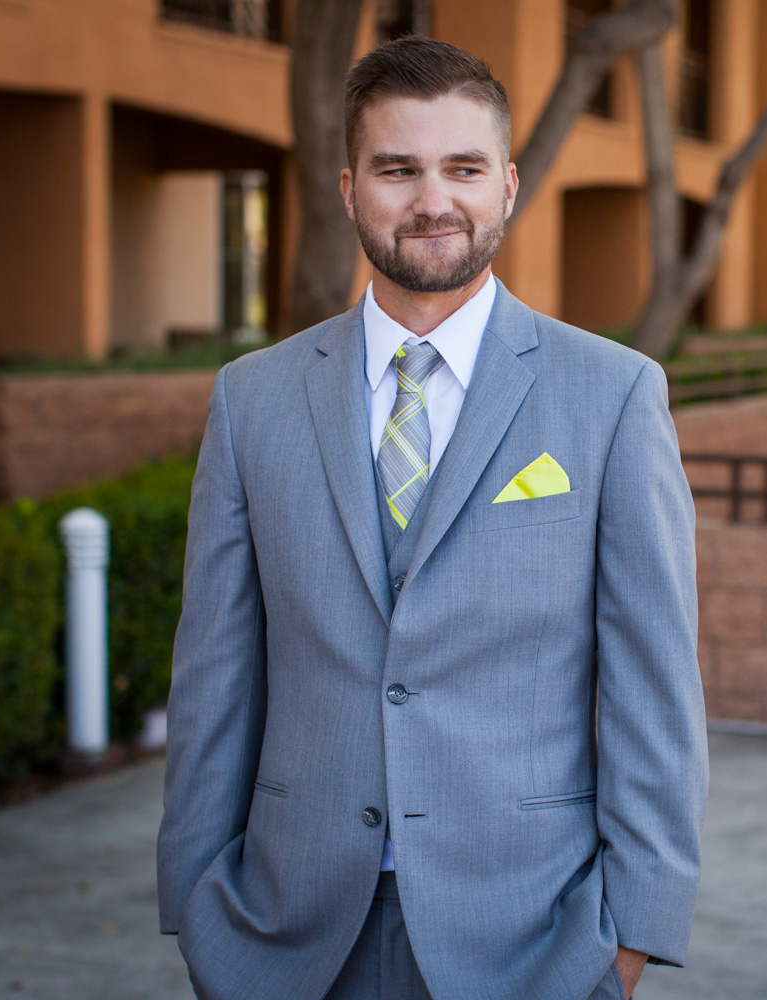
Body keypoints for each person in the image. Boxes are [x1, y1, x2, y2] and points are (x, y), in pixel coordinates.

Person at [157, 37, 707, 1000]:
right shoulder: (253, 400)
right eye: (397, 169)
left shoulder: (613, 395)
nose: (432, 200)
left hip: (534, 937)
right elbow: (215, 676)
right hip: (285, 935)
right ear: (347, 186)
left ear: (508, 185)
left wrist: (630, 941)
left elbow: (652, 686)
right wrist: (197, 909)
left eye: (463, 167)